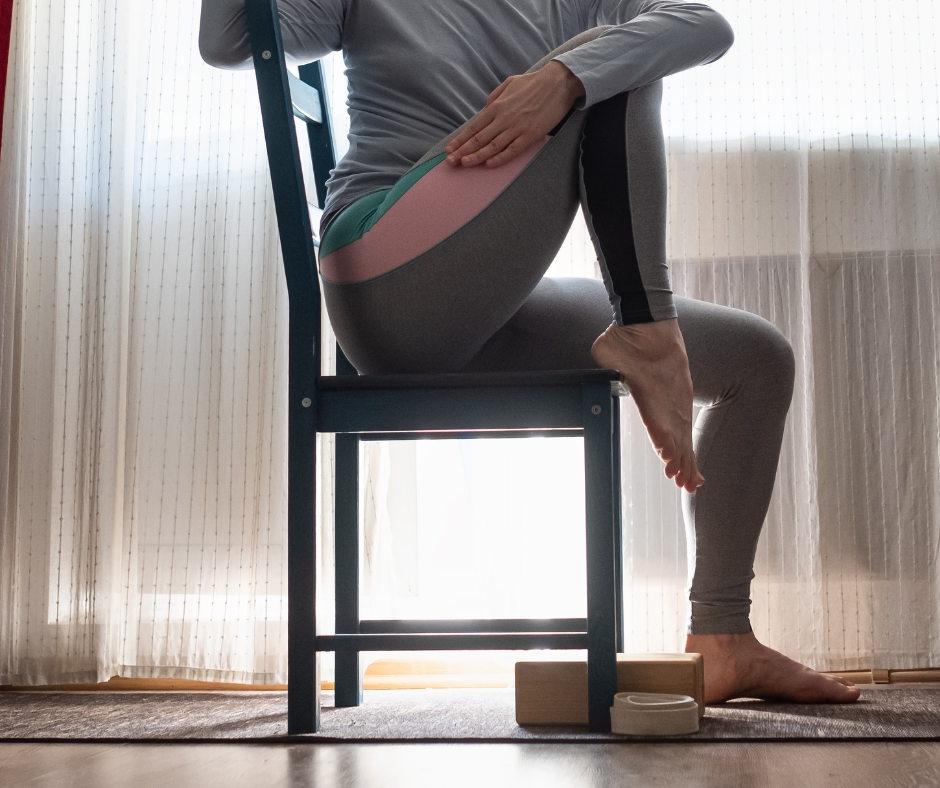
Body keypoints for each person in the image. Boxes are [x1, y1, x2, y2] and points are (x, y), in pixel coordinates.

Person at [199, 0, 860, 704]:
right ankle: (645, 325)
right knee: (614, 65)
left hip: (482, 299)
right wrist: (582, 72)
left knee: (757, 361)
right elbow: (230, 40)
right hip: (384, 279)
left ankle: (723, 637)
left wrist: (562, 75)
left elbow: (706, 26)